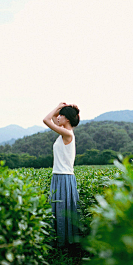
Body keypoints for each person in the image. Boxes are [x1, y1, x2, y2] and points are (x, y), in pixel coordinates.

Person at [43, 102, 80, 250]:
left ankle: (65, 245)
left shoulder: (68, 133)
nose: (58, 117)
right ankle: (61, 243)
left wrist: (58, 107)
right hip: (59, 176)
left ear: (68, 119)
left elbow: (46, 120)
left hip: (64, 177)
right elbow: (50, 120)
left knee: (63, 210)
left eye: (61, 115)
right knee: (58, 209)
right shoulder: (63, 133)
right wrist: (60, 110)